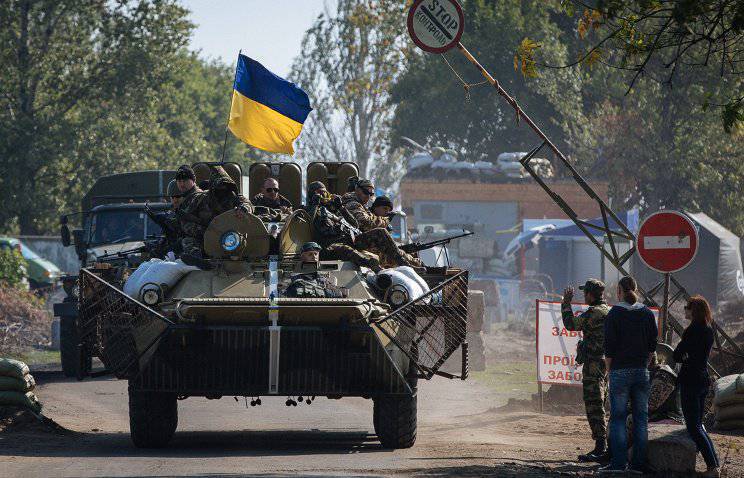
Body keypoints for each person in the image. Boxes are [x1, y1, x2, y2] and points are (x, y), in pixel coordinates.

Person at [601, 276, 658, 474]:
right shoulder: (647, 314)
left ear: (619, 291)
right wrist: (644, 363)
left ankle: (619, 464)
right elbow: (653, 346)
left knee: (618, 418)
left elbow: (609, 348)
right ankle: (638, 464)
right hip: (641, 372)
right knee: (641, 419)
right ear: (635, 289)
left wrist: (609, 371)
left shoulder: (614, 314)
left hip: (619, 371)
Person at [561, 279, 611, 463]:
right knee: (600, 402)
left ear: (591, 294)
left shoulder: (595, 313)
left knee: (594, 403)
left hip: (594, 364)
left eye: (586, 293)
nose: (584, 296)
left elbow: (571, 324)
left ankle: (601, 447)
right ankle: (603, 446)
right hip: (602, 363)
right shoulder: (606, 310)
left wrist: (566, 303)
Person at [674, 295, 719, 477]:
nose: (685, 310)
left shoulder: (693, 330)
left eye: (687, 307)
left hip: (690, 380)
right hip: (702, 379)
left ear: (693, 311)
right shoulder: (708, 330)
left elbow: (677, 355)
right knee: (699, 425)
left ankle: (712, 467)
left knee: (693, 426)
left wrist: (685, 357)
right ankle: (713, 463)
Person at [282, 242, 348, 298]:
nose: (314, 257)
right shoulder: (292, 276)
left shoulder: (322, 278)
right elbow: (280, 296)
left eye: (316, 254)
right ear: (302, 257)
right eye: (310, 254)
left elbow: (341, 293)